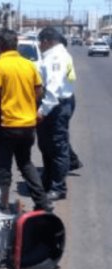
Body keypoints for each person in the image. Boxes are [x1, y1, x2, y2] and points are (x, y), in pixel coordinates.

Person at [0, 28, 53, 212]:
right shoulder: (29, 65)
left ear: (0, 46)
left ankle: (4, 204)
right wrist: (30, 107)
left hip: (7, 126)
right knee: (25, 163)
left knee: (4, 166)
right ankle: (42, 202)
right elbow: (39, 91)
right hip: (28, 126)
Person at [37, 26, 81, 201]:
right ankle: (48, 179)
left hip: (56, 105)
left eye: (40, 42)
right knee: (48, 145)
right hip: (62, 103)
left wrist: (42, 111)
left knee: (57, 147)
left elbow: (53, 89)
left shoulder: (56, 57)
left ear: (47, 41)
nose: (39, 46)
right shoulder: (59, 54)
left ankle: (58, 187)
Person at [58, 33, 84, 172]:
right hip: (69, 98)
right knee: (61, 134)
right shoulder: (67, 57)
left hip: (62, 99)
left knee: (59, 135)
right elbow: (71, 77)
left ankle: (71, 161)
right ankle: (72, 161)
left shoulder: (60, 58)